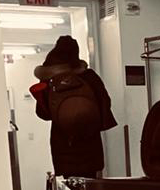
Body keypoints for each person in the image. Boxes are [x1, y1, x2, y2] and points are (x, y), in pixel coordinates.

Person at [31, 36, 117, 179]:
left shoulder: (48, 81)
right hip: (90, 145)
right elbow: (105, 104)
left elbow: (42, 114)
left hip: (63, 147)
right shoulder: (89, 76)